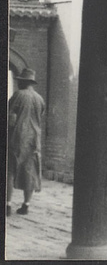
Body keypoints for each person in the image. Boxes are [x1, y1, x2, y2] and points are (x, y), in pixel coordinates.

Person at [7, 68, 45, 216]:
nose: (18, 84)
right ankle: (26, 205)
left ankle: (7, 205)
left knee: (9, 171)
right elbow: (40, 116)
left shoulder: (18, 95)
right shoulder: (39, 98)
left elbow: (10, 117)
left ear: (23, 82)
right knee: (31, 171)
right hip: (34, 139)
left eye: (19, 82)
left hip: (17, 137)